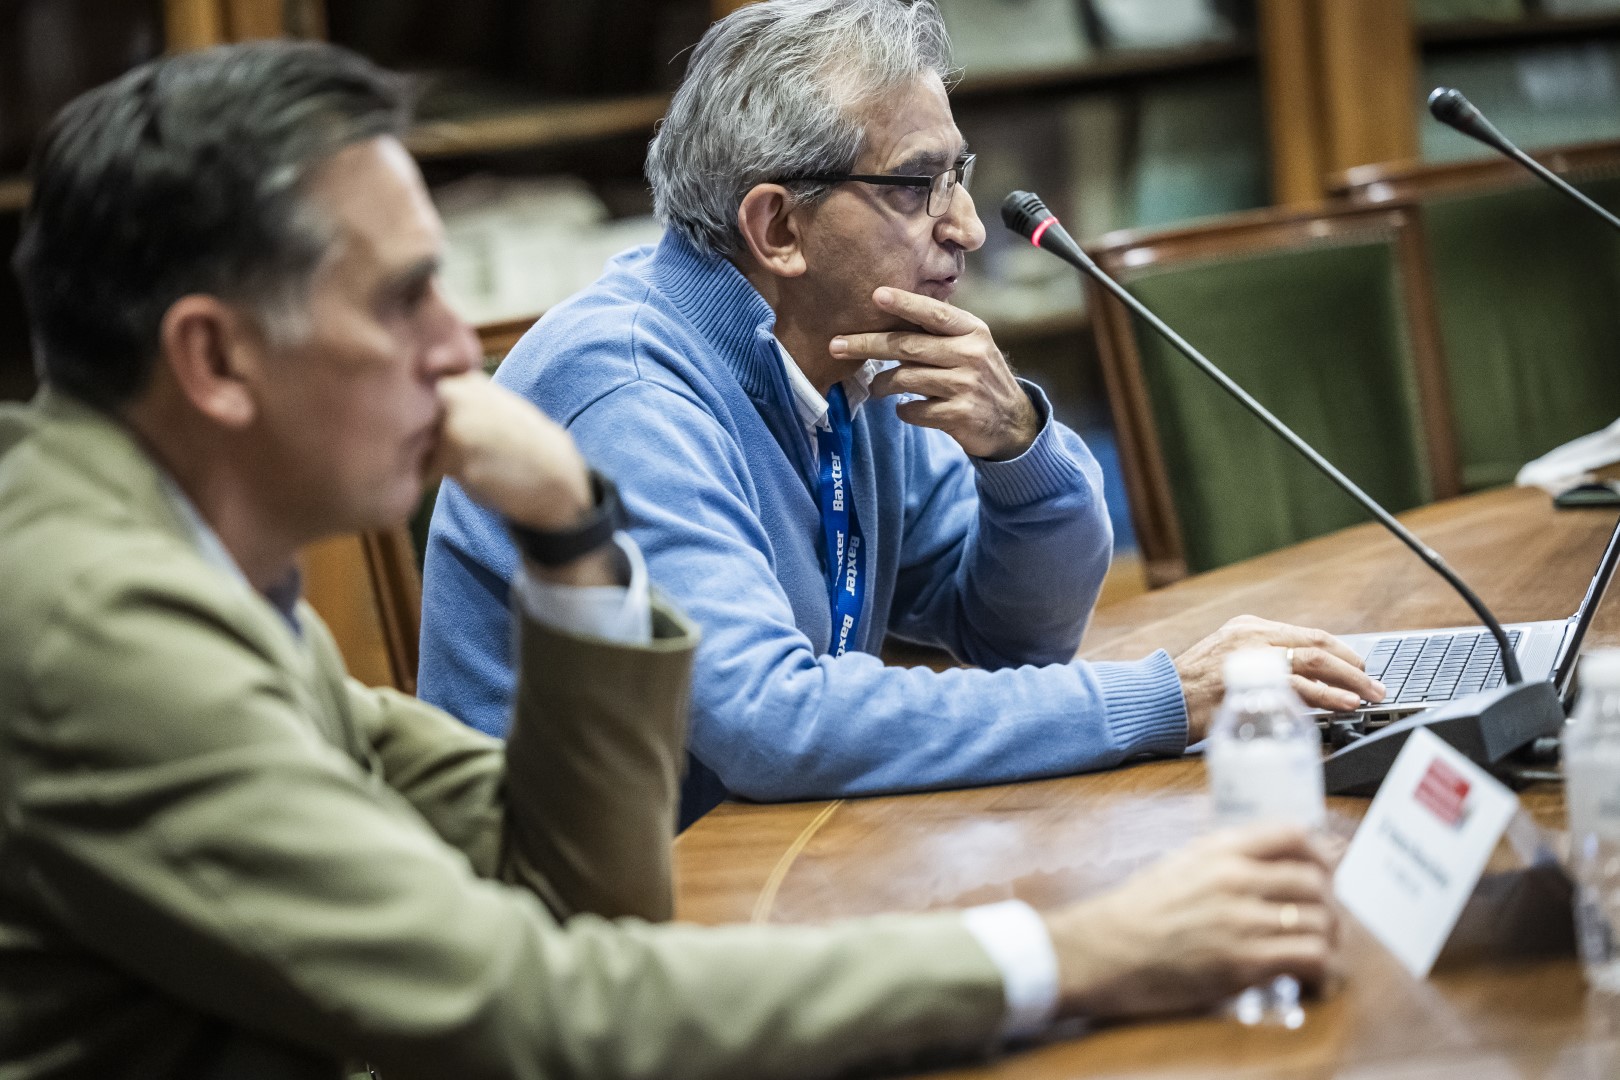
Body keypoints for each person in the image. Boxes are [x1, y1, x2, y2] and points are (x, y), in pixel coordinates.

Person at [0, 39, 1340, 1080]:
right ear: (214, 359)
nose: (457, 348)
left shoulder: (194, 573)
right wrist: (1066, 954)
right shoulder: (100, 625)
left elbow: (578, 884)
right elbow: (532, 1000)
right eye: (402, 297)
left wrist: (575, 541)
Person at [419, 0, 1386, 826]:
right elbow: (770, 724)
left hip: (761, 852)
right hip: (586, 927)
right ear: (777, 228)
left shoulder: (848, 351)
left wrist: (1017, 454)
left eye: (958, 176)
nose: (965, 226)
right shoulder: (629, 389)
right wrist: (1165, 698)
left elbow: (1010, 639)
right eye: (919, 186)